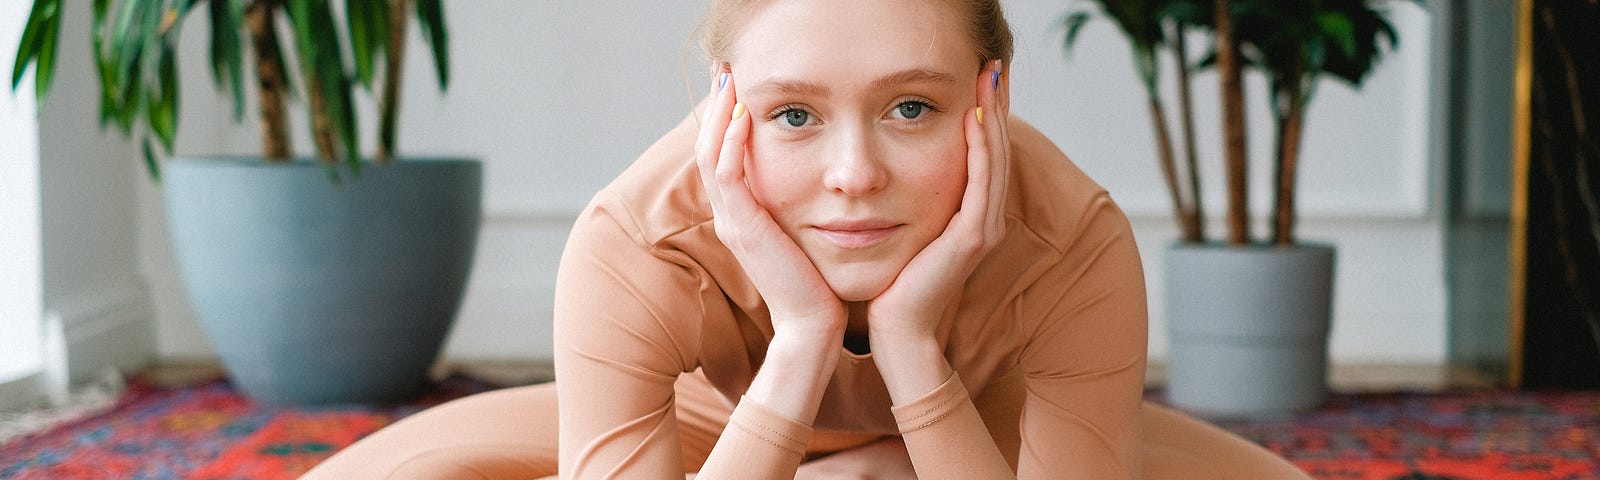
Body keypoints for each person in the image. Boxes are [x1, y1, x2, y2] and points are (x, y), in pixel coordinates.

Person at [303, 0, 1313, 478]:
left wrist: (912, 347)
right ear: (725, 106)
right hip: (714, 428)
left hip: (988, 437)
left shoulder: (1072, 239)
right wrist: (797, 345)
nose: (853, 174)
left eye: (911, 107)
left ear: (990, 98)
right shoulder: (636, 238)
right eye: (792, 115)